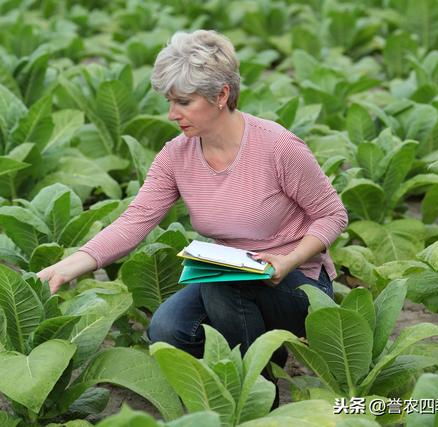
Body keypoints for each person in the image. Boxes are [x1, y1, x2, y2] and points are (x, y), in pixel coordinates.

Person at [37, 30, 348, 403]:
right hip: (229, 276)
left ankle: (258, 397)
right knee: (168, 329)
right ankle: (250, 359)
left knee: (223, 286)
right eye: (169, 101)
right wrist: (70, 266)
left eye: (184, 101)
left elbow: (332, 215)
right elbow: (137, 218)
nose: (172, 114)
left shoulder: (278, 147)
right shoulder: (176, 156)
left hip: (296, 283)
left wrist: (288, 259)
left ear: (221, 95)